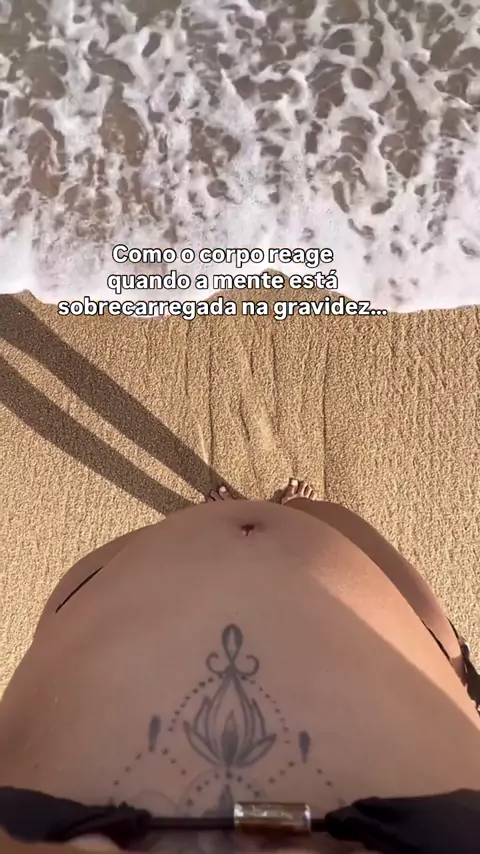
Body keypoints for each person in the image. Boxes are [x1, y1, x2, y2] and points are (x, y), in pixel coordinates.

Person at [0, 480, 479, 854]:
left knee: (179, 532)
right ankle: (296, 507)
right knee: (330, 522)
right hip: (398, 627)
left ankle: (222, 516)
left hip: (127, 581)